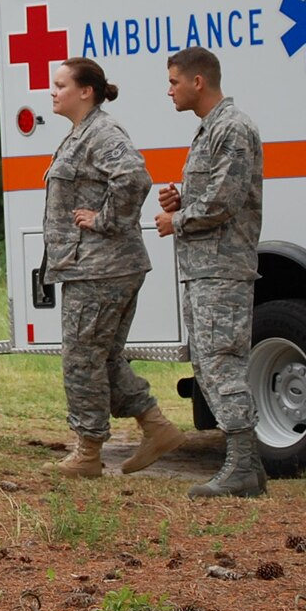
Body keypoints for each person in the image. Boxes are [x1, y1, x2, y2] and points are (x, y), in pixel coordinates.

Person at [42, 57, 184, 478]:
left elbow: (135, 178)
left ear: (86, 91)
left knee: (82, 358)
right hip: (94, 266)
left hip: (102, 268)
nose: (53, 91)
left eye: (60, 84)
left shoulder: (102, 132)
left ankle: (87, 452)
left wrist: (103, 220)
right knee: (101, 357)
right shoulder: (80, 135)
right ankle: (156, 427)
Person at [154, 46, 266, 498]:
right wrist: (180, 199)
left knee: (222, 361)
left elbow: (225, 200)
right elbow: (213, 194)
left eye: (174, 82)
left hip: (222, 269)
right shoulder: (209, 130)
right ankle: (247, 466)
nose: (170, 90)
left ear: (198, 82)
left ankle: (241, 465)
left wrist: (176, 221)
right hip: (203, 268)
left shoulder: (232, 128)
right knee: (208, 361)